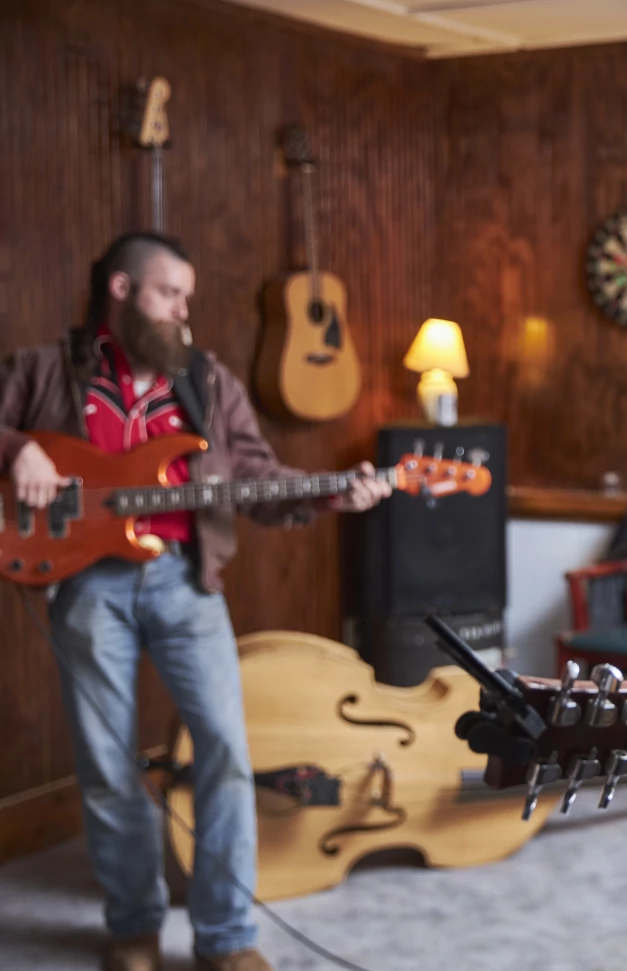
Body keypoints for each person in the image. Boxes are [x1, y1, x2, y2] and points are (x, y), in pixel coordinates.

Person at [0, 232, 391, 971]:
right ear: (121, 290)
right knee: (107, 763)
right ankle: (133, 928)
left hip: (184, 582)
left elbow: (255, 475)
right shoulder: (45, 368)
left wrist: (333, 493)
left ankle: (225, 938)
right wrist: (15, 446)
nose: (184, 309)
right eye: (169, 292)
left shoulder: (207, 382)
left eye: (187, 296)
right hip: (85, 588)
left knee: (224, 752)